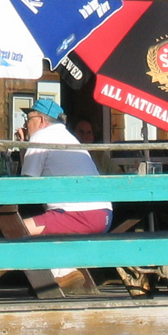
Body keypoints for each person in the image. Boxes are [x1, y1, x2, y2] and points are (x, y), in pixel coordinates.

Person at [17, 99, 112, 291]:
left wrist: (25, 146)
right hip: (102, 215)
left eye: (29, 118)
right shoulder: (68, 137)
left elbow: (26, 185)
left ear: (41, 120)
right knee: (45, 227)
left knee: (18, 230)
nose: (26, 124)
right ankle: (63, 272)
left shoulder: (41, 137)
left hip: (78, 215)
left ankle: (60, 275)